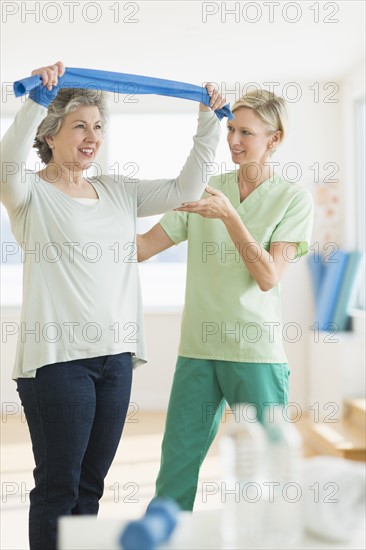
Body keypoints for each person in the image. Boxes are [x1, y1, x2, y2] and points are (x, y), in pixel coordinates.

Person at [0, 61, 227, 550]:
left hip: (116, 358)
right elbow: (7, 159)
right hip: (57, 361)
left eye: (98, 126)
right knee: (59, 487)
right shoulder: (29, 194)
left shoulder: (118, 190)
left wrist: (209, 120)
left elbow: (184, 191)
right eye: (79, 125)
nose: (92, 136)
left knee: (90, 487)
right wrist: (37, 97)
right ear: (50, 133)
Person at [137, 89, 314, 511]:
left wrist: (232, 219)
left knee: (268, 470)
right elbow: (142, 248)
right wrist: (83, 213)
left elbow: (269, 276)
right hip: (198, 349)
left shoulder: (294, 199)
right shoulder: (205, 190)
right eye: (231, 129)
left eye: (246, 132)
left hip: (255, 352)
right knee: (176, 467)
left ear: (275, 139)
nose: (234, 140)